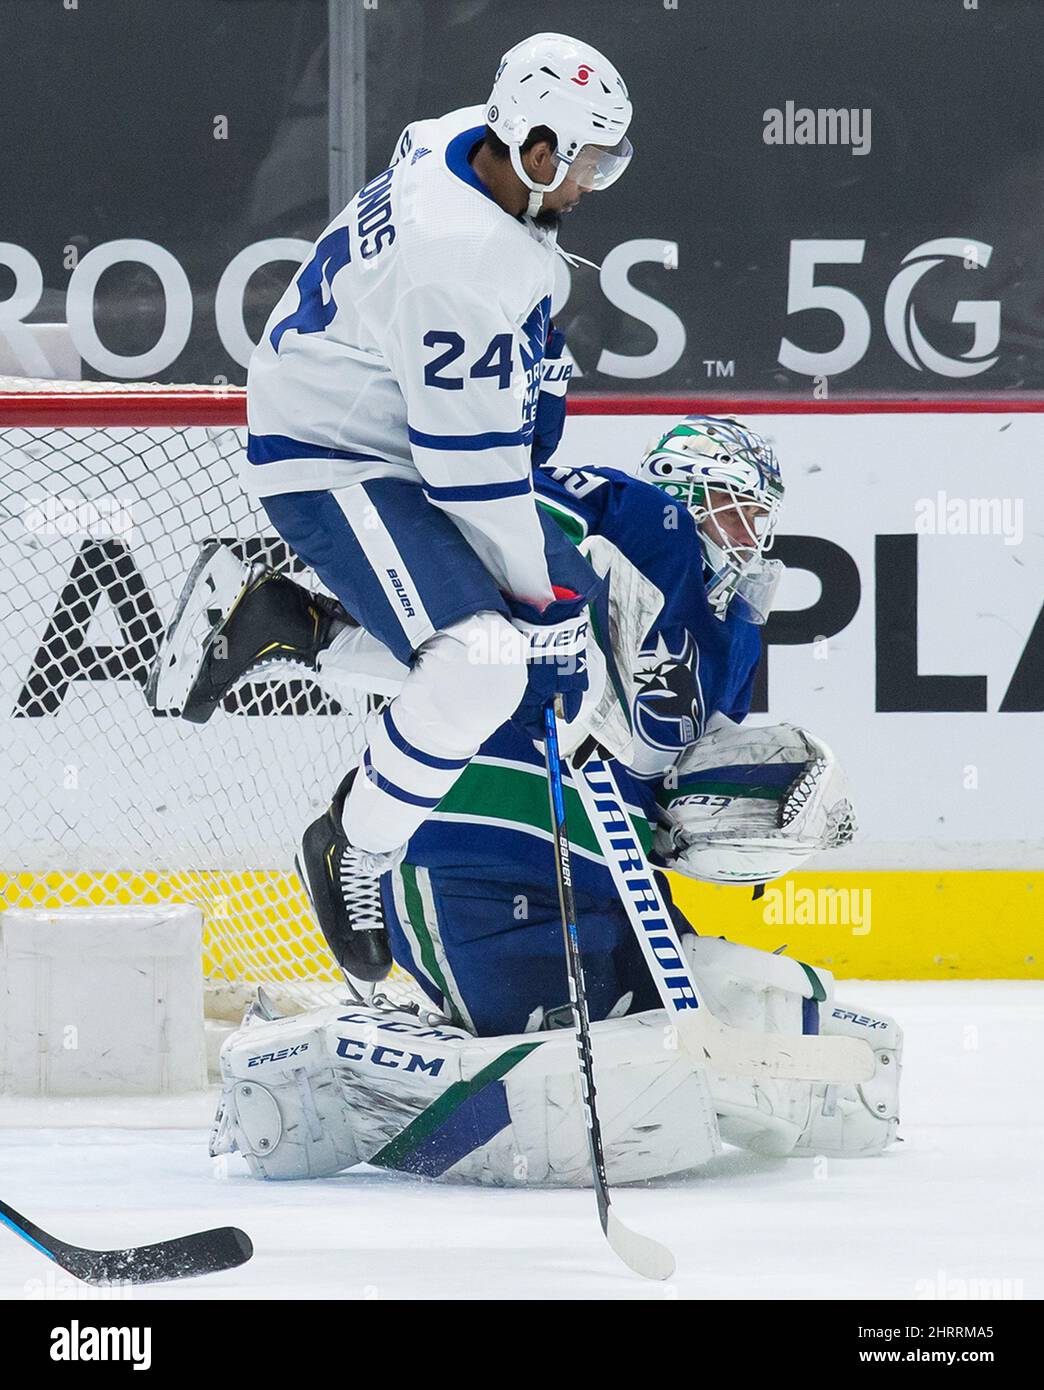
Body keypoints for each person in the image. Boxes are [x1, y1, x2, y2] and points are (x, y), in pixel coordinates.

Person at [196, 416, 902, 1185]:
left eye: (758, 519)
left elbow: (683, 780)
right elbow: (504, 532)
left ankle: (313, 638)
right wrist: (559, 611)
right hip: (477, 862)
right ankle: (312, 1063)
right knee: (558, 1083)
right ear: (687, 493)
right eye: (735, 508)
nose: (748, 535)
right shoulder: (633, 514)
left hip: (610, 882)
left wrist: (742, 814)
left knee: (661, 1043)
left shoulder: (731, 631)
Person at [151, 31, 633, 983]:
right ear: (535, 152)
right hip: (330, 454)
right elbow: (473, 476)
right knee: (494, 661)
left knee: (525, 661)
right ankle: (353, 848)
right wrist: (534, 595)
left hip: (383, 424)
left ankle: (295, 627)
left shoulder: (459, 138)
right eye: (584, 164)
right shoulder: (461, 262)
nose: (589, 186)